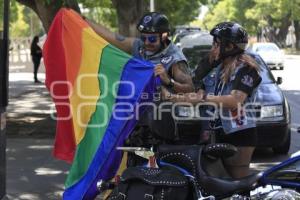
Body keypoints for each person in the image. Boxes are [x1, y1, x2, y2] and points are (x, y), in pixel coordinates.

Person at [85, 12, 194, 165]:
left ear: (163, 36)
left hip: (159, 126)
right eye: (143, 37)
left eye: (152, 39)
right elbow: (111, 37)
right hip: (134, 123)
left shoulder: (174, 58)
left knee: (154, 168)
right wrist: (83, 20)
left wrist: (168, 81)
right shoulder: (138, 46)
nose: (146, 42)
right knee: (133, 167)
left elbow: (190, 89)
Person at [162, 22, 262, 179]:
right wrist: (170, 96)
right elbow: (197, 94)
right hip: (219, 132)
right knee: (220, 184)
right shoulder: (218, 70)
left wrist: (203, 97)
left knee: (238, 183)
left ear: (229, 46)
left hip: (240, 133)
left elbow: (235, 101)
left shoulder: (246, 69)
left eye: (216, 44)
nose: (212, 48)